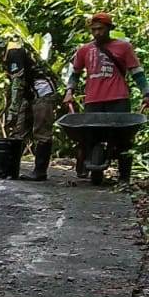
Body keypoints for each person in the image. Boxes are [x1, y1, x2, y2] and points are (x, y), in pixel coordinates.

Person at [62, 12, 149, 182]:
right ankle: (86, 166)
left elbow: (136, 73)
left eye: (100, 29)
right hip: (93, 100)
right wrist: (69, 91)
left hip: (118, 99)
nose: (97, 33)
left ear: (109, 28)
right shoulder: (84, 50)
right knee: (88, 137)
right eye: (94, 29)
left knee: (124, 139)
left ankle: (124, 177)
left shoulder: (124, 47)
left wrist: (146, 93)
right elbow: (75, 74)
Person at [0, 30, 60, 181]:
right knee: (19, 130)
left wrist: (13, 109)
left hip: (42, 92)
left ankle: (40, 171)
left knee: (41, 132)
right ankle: (8, 167)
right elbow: (14, 83)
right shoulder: (6, 55)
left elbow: (18, 83)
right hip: (29, 94)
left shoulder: (14, 52)